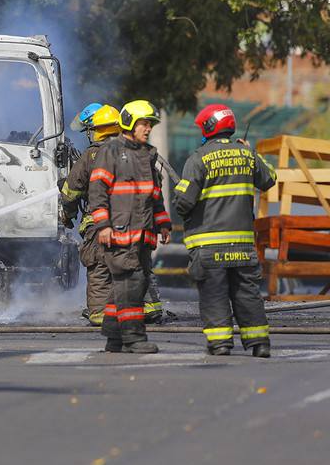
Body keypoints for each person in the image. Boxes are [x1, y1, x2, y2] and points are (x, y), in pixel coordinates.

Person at [173, 103, 275, 357]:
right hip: (243, 246)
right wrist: (251, 153)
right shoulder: (247, 155)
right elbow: (269, 178)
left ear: (208, 127)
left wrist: (180, 201)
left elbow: (184, 203)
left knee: (214, 295)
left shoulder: (199, 158)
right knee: (248, 294)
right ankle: (259, 344)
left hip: (209, 246)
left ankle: (220, 344)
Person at [88, 100, 172, 354]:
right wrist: (103, 225)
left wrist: (163, 224)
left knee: (127, 285)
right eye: (144, 124)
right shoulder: (110, 151)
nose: (148, 129)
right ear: (129, 124)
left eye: (150, 124)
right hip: (119, 234)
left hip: (144, 234)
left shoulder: (147, 154)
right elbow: (97, 191)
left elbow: (154, 194)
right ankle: (134, 337)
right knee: (132, 284)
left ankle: (114, 339)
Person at [61, 103, 121, 326]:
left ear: (95, 129)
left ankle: (98, 314)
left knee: (98, 269)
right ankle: (147, 309)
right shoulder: (132, 152)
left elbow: (70, 193)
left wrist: (67, 214)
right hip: (129, 221)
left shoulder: (91, 154)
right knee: (133, 266)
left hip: (98, 223)